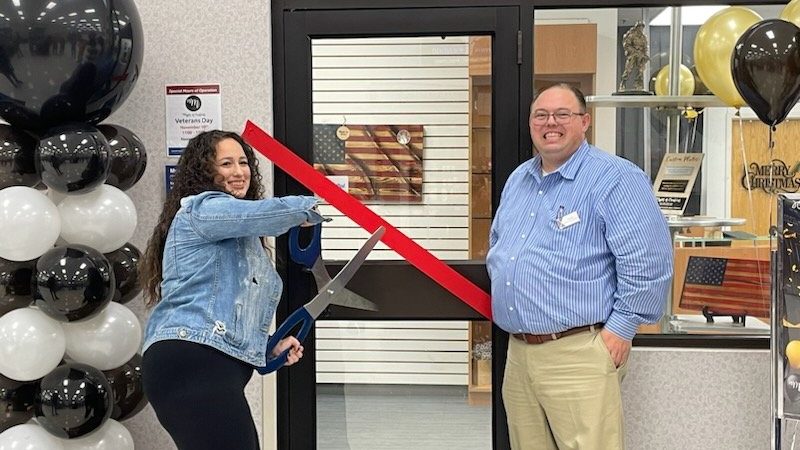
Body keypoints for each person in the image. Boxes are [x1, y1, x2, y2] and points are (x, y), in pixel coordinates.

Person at [486, 84, 673, 450]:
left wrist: (621, 329)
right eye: (541, 115)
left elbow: (648, 261)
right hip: (520, 355)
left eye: (563, 115)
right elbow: (499, 246)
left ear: (585, 122)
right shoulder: (518, 181)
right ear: (530, 124)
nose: (550, 123)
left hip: (579, 352)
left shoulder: (615, 178)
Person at [139, 130, 324, 450]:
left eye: (243, 162)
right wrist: (314, 203)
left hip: (209, 365)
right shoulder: (203, 209)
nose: (239, 172)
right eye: (226, 163)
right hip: (191, 362)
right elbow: (266, 214)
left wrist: (268, 347)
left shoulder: (240, 236)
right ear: (205, 172)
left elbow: (229, 314)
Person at [618, 21, 649, 92]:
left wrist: (644, 54)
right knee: (628, 70)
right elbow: (626, 45)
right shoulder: (631, 35)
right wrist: (634, 51)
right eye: (640, 27)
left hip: (640, 56)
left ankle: (638, 85)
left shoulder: (643, 37)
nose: (641, 28)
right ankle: (623, 83)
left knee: (641, 71)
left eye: (642, 27)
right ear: (637, 27)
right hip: (632, 55)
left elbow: (645, 47)